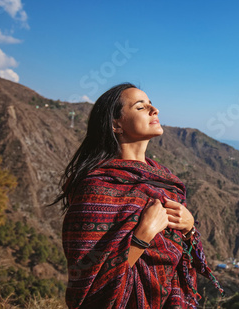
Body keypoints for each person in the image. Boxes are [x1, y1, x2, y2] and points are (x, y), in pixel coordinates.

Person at [53, 83, 223, 308]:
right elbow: (87, 291)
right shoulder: (95, 189)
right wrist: (143, 235)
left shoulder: (165, 181)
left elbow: (182, 259)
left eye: (151, 105)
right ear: (116, 124)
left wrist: (189, 227)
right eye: (141, 107)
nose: (155, 110)